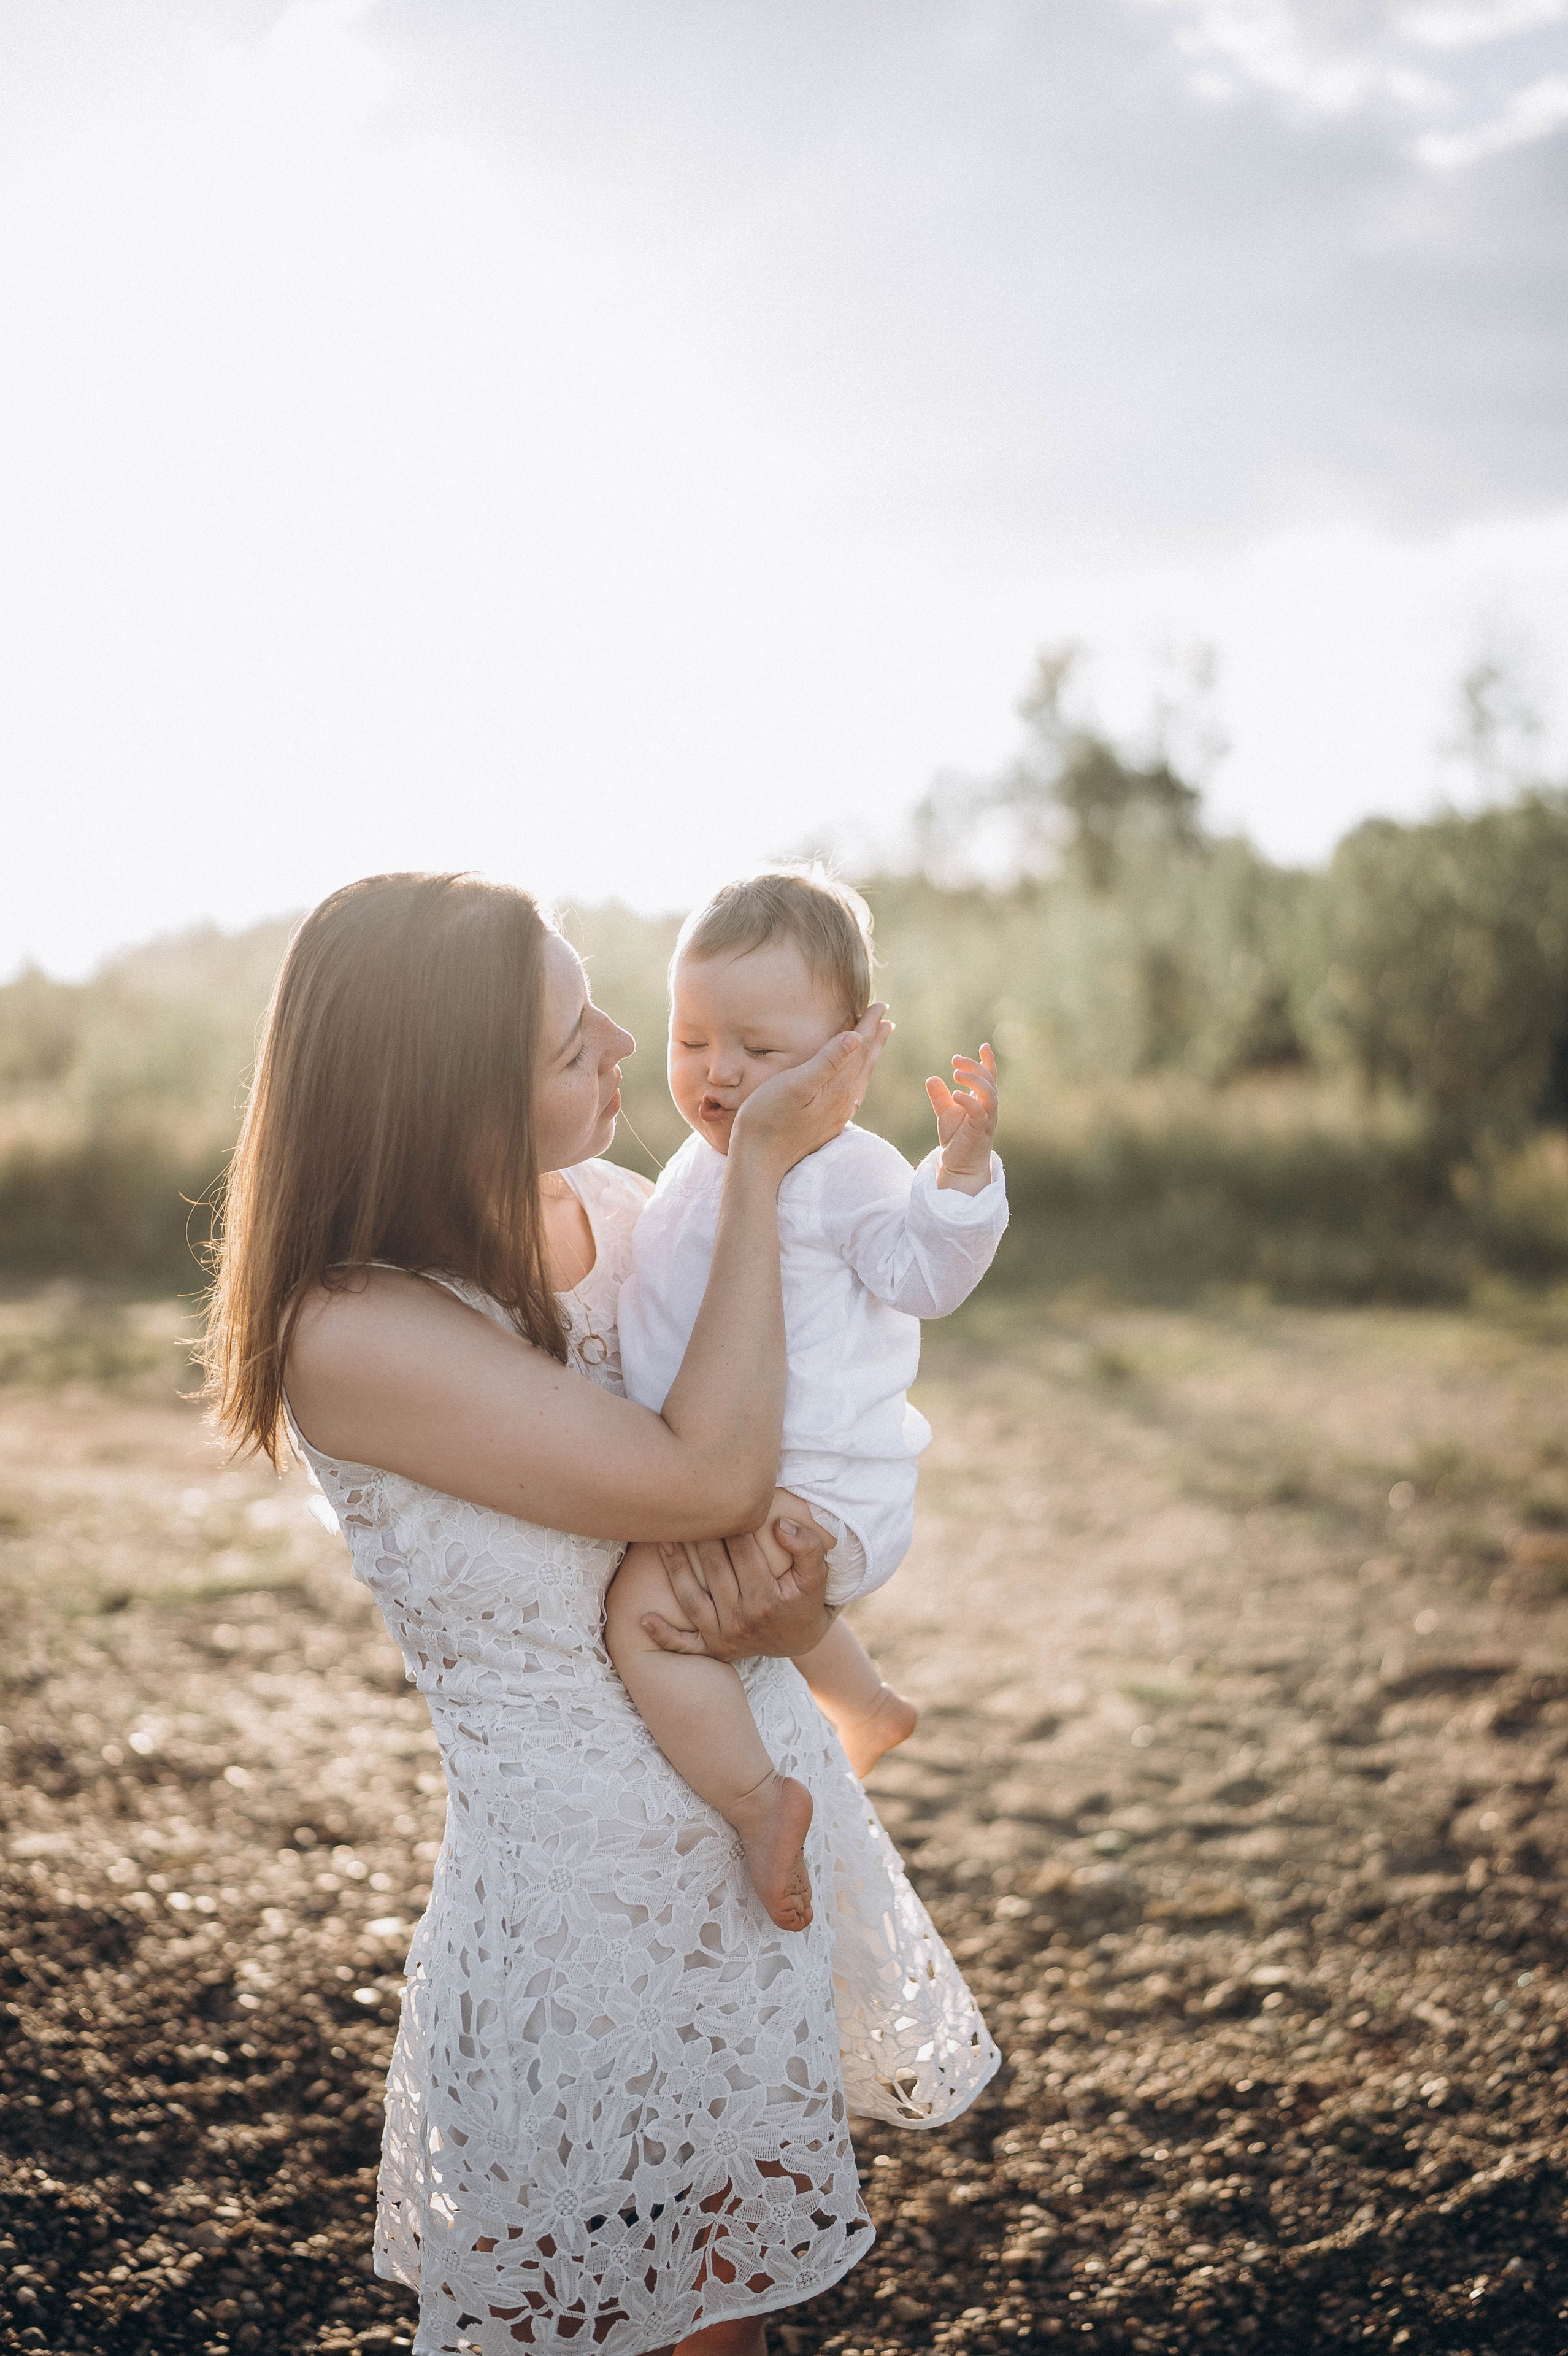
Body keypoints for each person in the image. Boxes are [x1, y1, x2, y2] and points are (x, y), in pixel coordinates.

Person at [204, 871, 999, 2356]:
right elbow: (703, 1472)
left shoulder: (636, 1215)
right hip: (578, 1916)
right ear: (447, 1097)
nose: (630, 1043)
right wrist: (763, 1167)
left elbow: (801, 1419)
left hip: (744, 1854)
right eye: (576, 1040)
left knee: (731, 2322)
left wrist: (793, 1589)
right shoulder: (353, 1331)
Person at [609, 871, 1007, 1933]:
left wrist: (959, 1177)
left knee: (644, 1615)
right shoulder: (686, 1180)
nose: (720, 1072)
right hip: (733, 1469)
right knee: (693, 1559)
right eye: (692, 1040)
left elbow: (926, 1276)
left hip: (828, 1486)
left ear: (847, 1055)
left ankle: (756, 1804)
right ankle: (867, 1703)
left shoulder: (848, 1170)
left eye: (760, 1048)